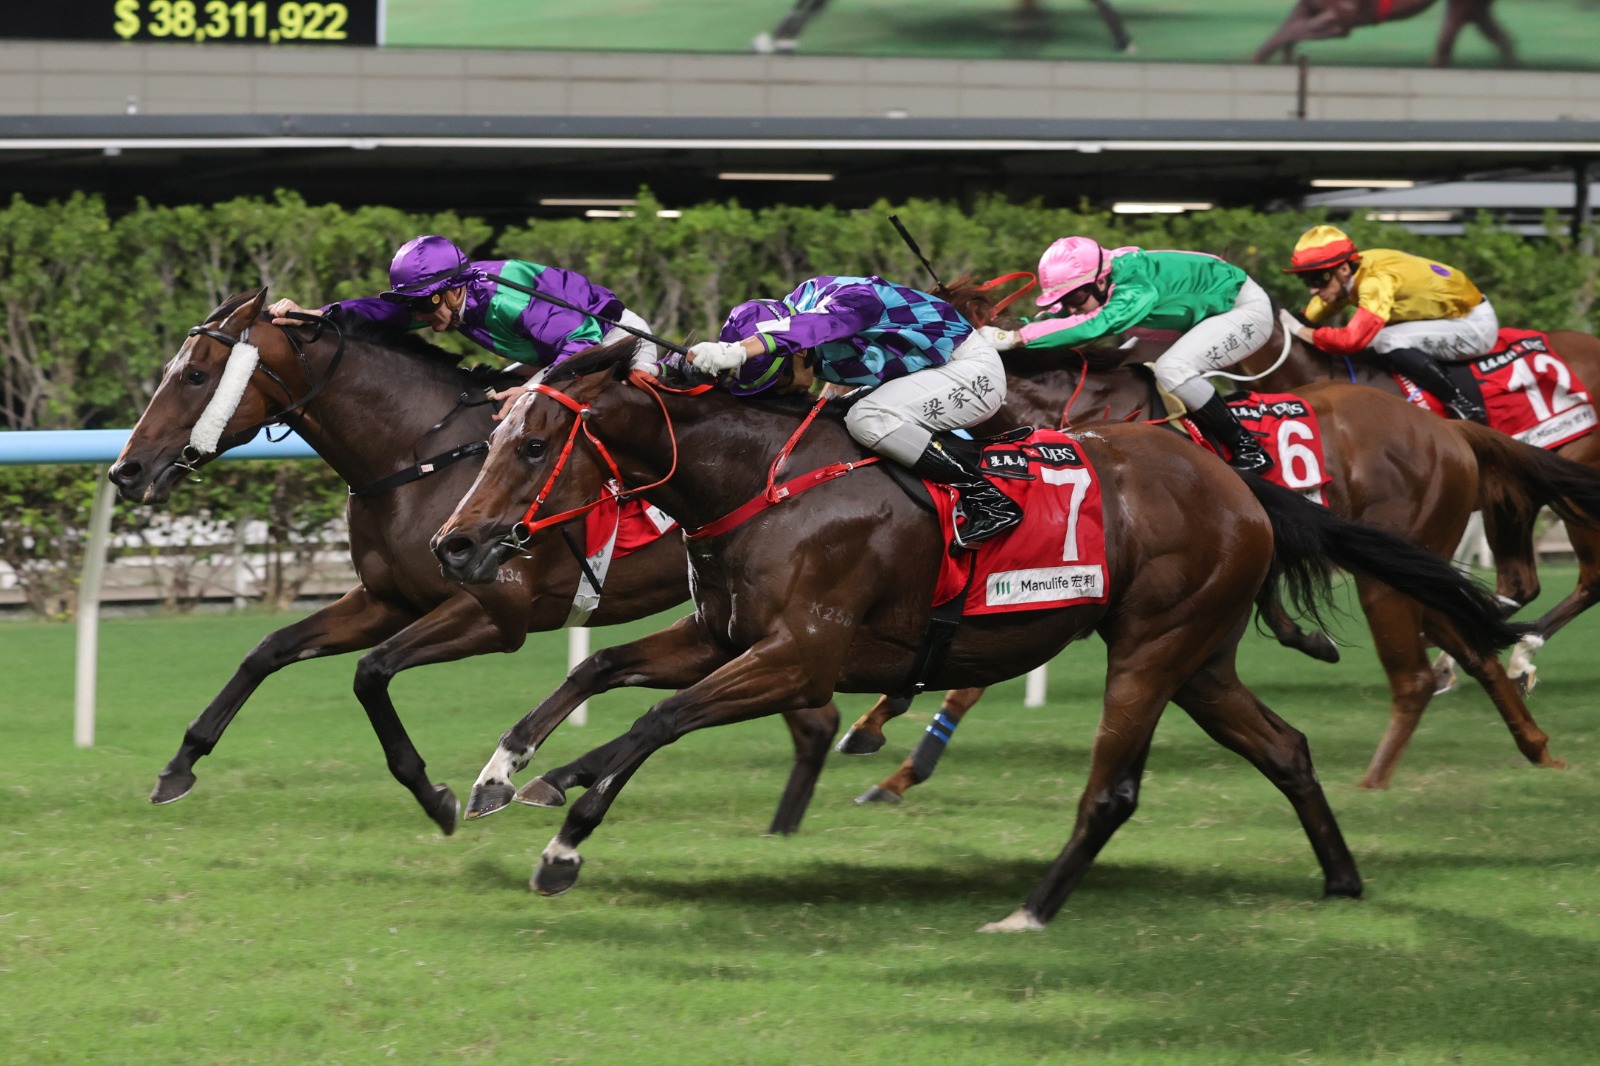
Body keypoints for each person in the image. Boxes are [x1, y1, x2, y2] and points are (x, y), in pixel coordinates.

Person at [686, 274, 1020, 547]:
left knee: (867, 419)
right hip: (930, 373)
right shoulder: (797, 327)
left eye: (780, 379)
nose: (783, 391)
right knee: (832, 416)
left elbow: (816, 327)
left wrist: (741, 351)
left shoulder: (847, 297)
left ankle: (990, 500)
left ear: (797, 354)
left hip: (972, 372)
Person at [267, 234, 658, 417]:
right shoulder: (440, 299)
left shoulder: (508, 300)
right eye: (414, 307)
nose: (422, 319)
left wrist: (534, 387)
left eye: (424, 306)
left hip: (614, 341)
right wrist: (318, 314)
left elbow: (584, 342)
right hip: (555, 352)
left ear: (453, 291)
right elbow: (382, 314)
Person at [981, 237, 1275, 473]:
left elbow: (1098, 325)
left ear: (1099, 281)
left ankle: (1248, 449)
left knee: (1172, 369)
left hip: (1242, 310)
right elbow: (1054, 318)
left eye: (1074, 298)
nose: (1070, 307)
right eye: (1063, 300)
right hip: (1187, 320)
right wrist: (1010, 329)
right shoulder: (1098, 279)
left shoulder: (1134, 285)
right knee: (1123, 368)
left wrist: (1016, 338)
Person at [1282, 224, 1492, 422]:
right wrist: (1297, 321)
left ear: (1344, 269)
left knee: (1385, 340)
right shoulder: (1353, 271)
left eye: (1318, 280)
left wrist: (1303, 331)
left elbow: (1351, 340)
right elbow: (1318, 309)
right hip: (1447, 318)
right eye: (1307, 281)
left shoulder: (1374, 281)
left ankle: (1460, 404)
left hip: (1472, 326)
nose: (1313, 289)